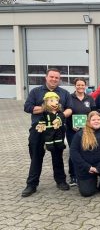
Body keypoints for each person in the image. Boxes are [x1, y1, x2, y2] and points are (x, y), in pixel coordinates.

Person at [22, 68, 73, 197]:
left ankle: (60, 180)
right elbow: (27, 107)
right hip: (39, 128)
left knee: (57, 155)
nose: (54, 79)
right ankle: (32, 184)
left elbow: (70, 109)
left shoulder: (64, 93)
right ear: (46, 77)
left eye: (57, 77)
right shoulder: (36, 92)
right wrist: (45, 108)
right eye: (52, 77)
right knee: (36, 156)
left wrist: (60, 116)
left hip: (57, 129)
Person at [66, 78, 96, 186]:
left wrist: (90, 126)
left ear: (85, 86)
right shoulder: (69, 97)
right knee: (74, 152)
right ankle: (73, 176)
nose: (80, 87)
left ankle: (84, 173)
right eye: (78, 85)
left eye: (82, 85)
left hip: (87, 130)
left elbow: (93, 113)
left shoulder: (90, 98)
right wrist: (71, 126)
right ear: (75, 86)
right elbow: (65, 114)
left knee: (86, 151)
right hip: (72, 131)